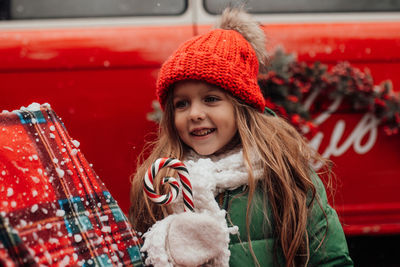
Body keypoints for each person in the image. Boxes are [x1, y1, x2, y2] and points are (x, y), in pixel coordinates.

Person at [129, 7, 353, 267]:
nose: (195, 113)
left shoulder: (283, 172)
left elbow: (330, 259)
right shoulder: (161, 182)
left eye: (211, 99)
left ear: (241, 107)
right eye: (182, 104)